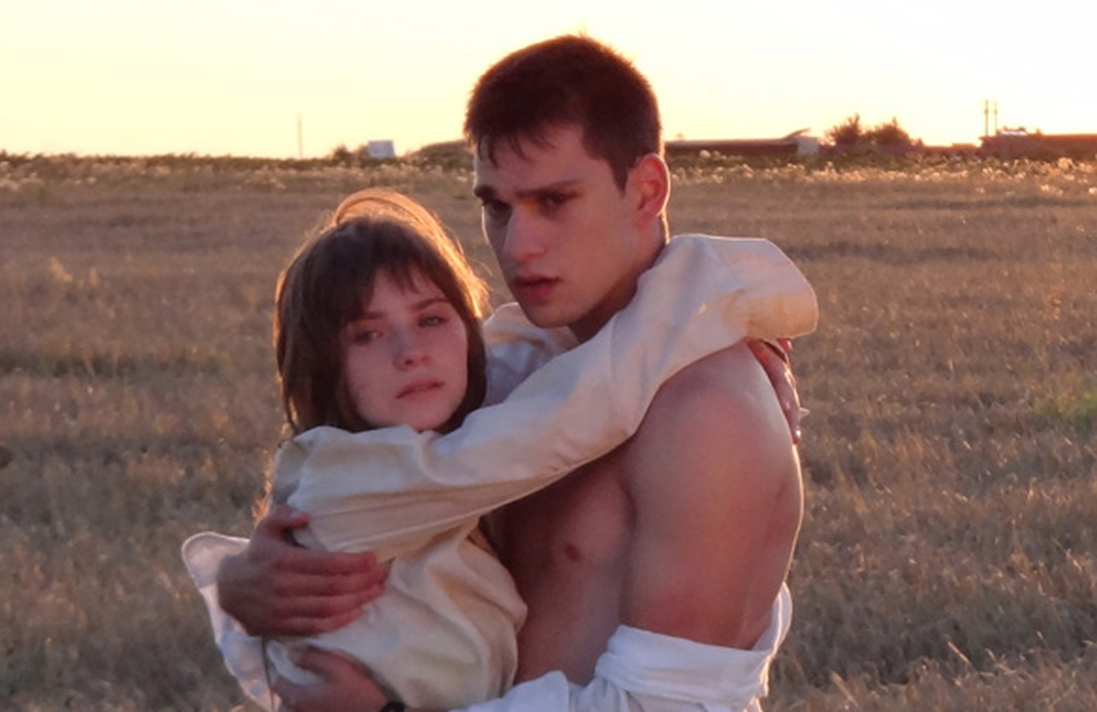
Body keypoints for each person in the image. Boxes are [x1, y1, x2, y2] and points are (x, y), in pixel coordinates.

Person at [215, 35, 814, 712]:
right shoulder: (510, 368)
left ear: (646, 190)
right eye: (497, 207)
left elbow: (665, 707)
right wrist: (248, 584)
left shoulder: (706, 412)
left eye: (554, 201)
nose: (517, 246)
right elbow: (365, 498)